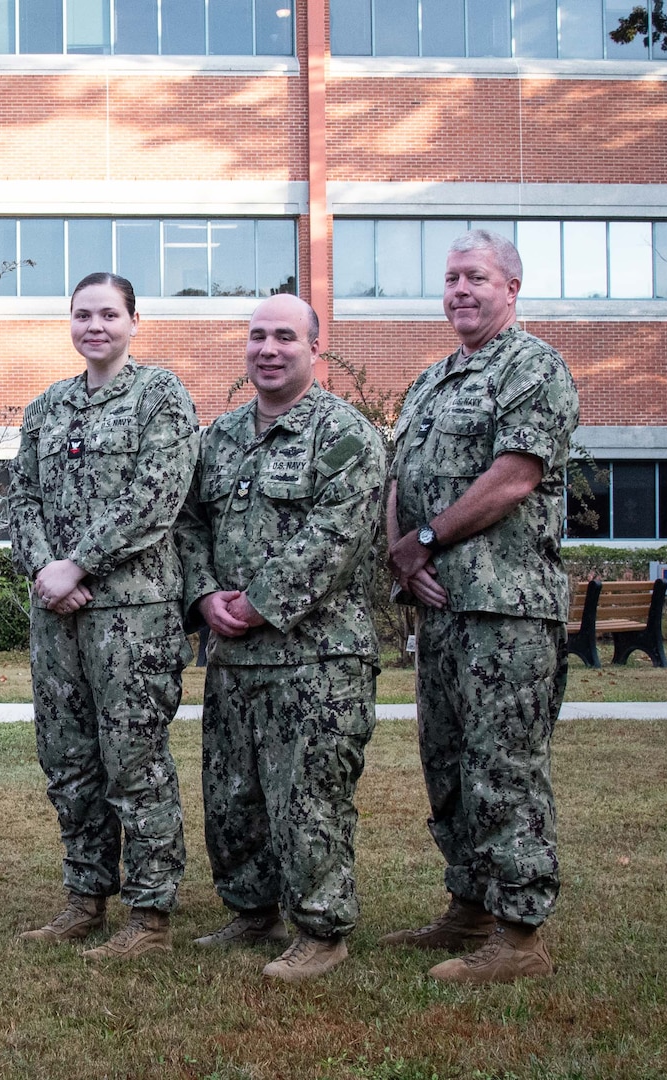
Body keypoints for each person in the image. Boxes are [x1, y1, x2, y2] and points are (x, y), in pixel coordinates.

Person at [381, 229, 579, 984]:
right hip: (441, 610)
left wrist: (425, 539)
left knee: (505, 766)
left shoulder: (534, 367)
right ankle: (468, 903)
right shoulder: (433, 379)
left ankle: (519, 933)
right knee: (448, 765)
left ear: (511, 289)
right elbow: (399, 476)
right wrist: (405, 555)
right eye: (452, 278)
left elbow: (514, 477)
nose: (460, 289)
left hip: (507, 609)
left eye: (477, 277)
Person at [174, 293, 385, 982]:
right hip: (235, 654)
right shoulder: (223, 436)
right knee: (234, 796)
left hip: (317, 657)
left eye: (286, 337)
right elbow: (189, 525)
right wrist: (205, 595)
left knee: (309, 796)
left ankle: (322, 932)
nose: (269, 349)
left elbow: (338, 537)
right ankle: (251, 910)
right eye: (259, 336)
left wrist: (259, 603)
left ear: (314, 350)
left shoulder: (346, 436)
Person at [9, 272, 200, 960]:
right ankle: (85, 897)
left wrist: (78, 564)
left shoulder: (161, 398)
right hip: (57, 618)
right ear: (70, 322)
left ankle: (149, 915)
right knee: (69, 762)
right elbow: (20, 499)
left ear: (133, 321)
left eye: (109, 314)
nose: (95, 325)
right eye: (83, 314)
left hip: (133, 616)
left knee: (134, 761)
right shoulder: (47, 407)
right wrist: (44, 572)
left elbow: (157, 498)